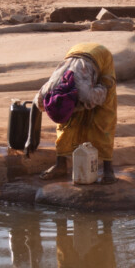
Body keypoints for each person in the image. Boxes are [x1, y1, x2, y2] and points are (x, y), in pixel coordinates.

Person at [36, 41, 117, 183]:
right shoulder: (47, 92)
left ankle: (108, 170)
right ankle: (60, 165)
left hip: (100, 56)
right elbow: (36, 107)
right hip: (74, 54)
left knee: (103, 119)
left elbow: (98, 97)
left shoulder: (86, 95)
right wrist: (31, 138)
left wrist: (102, 87)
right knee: (65, 125)